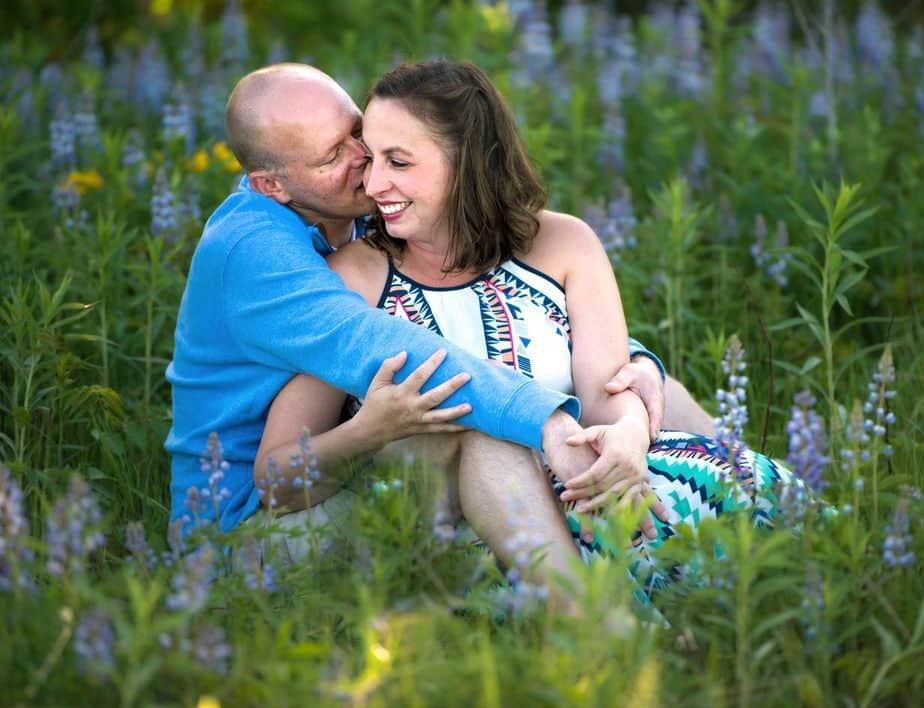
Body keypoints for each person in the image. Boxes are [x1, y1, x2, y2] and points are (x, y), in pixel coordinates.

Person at [258, 59, 804, 595]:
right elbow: (276, 479)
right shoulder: (350, 279)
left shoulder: (564, 244)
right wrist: (369, 430)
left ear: (467, 162)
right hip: (472, 539)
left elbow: (609, 393)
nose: (374, 184)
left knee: (750, 497)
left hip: (588, 490)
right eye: (370, 158)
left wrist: (627, 440)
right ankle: (610, 628)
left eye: (399, 162)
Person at [164, 63, 684, 602]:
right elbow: (383, 345)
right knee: (477, 431)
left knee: (653, 391)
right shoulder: (255, 253)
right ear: (271, 185)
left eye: (356, 134)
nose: (364, 165)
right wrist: (549, 423)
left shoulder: (356, 209)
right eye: (332, 156)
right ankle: (589, 619)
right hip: (242, 533)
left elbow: (543, 324)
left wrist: (638, 363)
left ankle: (754, 494)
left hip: (345, 479)